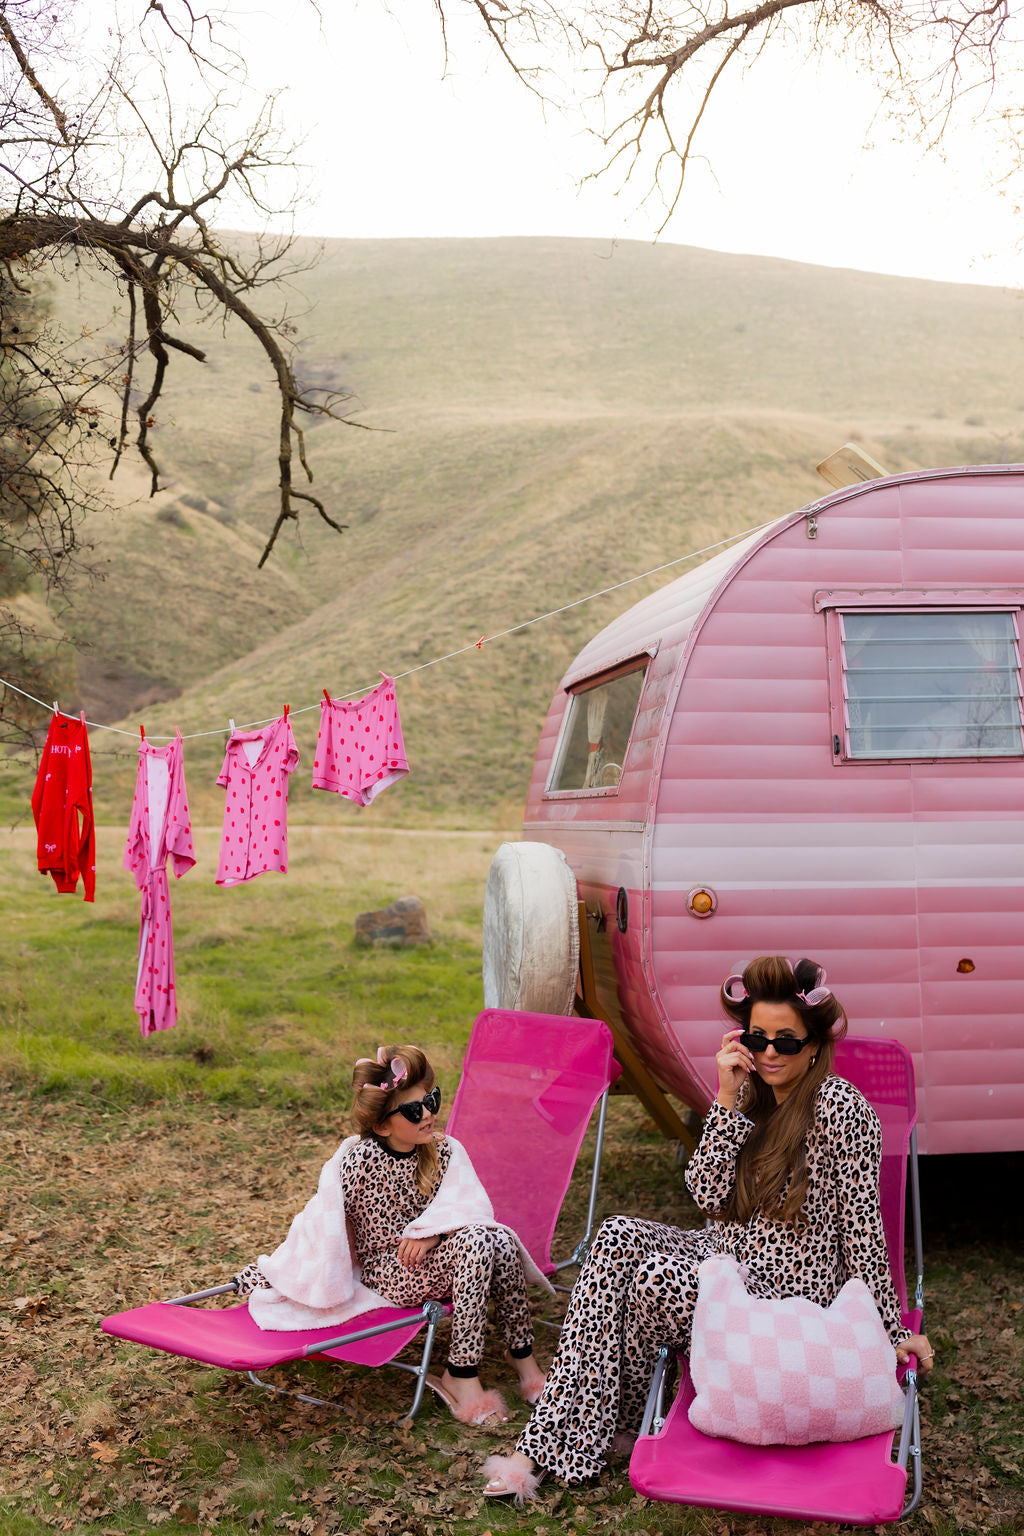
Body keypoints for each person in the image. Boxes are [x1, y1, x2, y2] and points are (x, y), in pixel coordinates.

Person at [481, 956, 934, 1501]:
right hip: (727, 1252)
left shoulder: (839, 1108)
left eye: (786, 1041)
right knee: (616, 1234)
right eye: (756, 1036)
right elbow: (707, 1194)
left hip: (786, 1292)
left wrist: (888, 1329)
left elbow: (864, 1230)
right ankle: (599, 1429)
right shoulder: (750, 1093)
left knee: (649, 1281)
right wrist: (725, 1098)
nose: (768, 1052)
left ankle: (556, 1444)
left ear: (814, 1045)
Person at [235, 1044, 547, 1425]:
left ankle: (526, 1365)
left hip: (443, 1255)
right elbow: (321, 1220)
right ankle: (461, 1375)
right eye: (415, 1110)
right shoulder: (360, 1160)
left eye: (431, 1100)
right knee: (483, 1240)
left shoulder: (445, 1151)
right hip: (391, 1270)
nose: (429, 1114)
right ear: (383, 1125)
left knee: (498, 1238)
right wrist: (271, 1272)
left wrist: (431, 1234)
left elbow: (471, 1207)